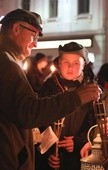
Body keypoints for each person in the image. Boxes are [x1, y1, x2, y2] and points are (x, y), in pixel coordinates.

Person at [0, 8, 101, 170]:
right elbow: (29, 112)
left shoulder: (8, 60)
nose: (35, 43)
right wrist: (76, 98)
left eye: (76, 63)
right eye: (33, 35)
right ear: (16, 28)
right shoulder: (6, 63)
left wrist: (79, 141)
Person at [35, 42, 97, 170]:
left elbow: (97, 126)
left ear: (84, 65)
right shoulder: (48, 89)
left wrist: (79, 142)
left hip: (79, 161)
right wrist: (47, 154)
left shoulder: (92, 91)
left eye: (76, 63)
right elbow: (37, 127)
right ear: (59, 64)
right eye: (66, 62)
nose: (70, 67)